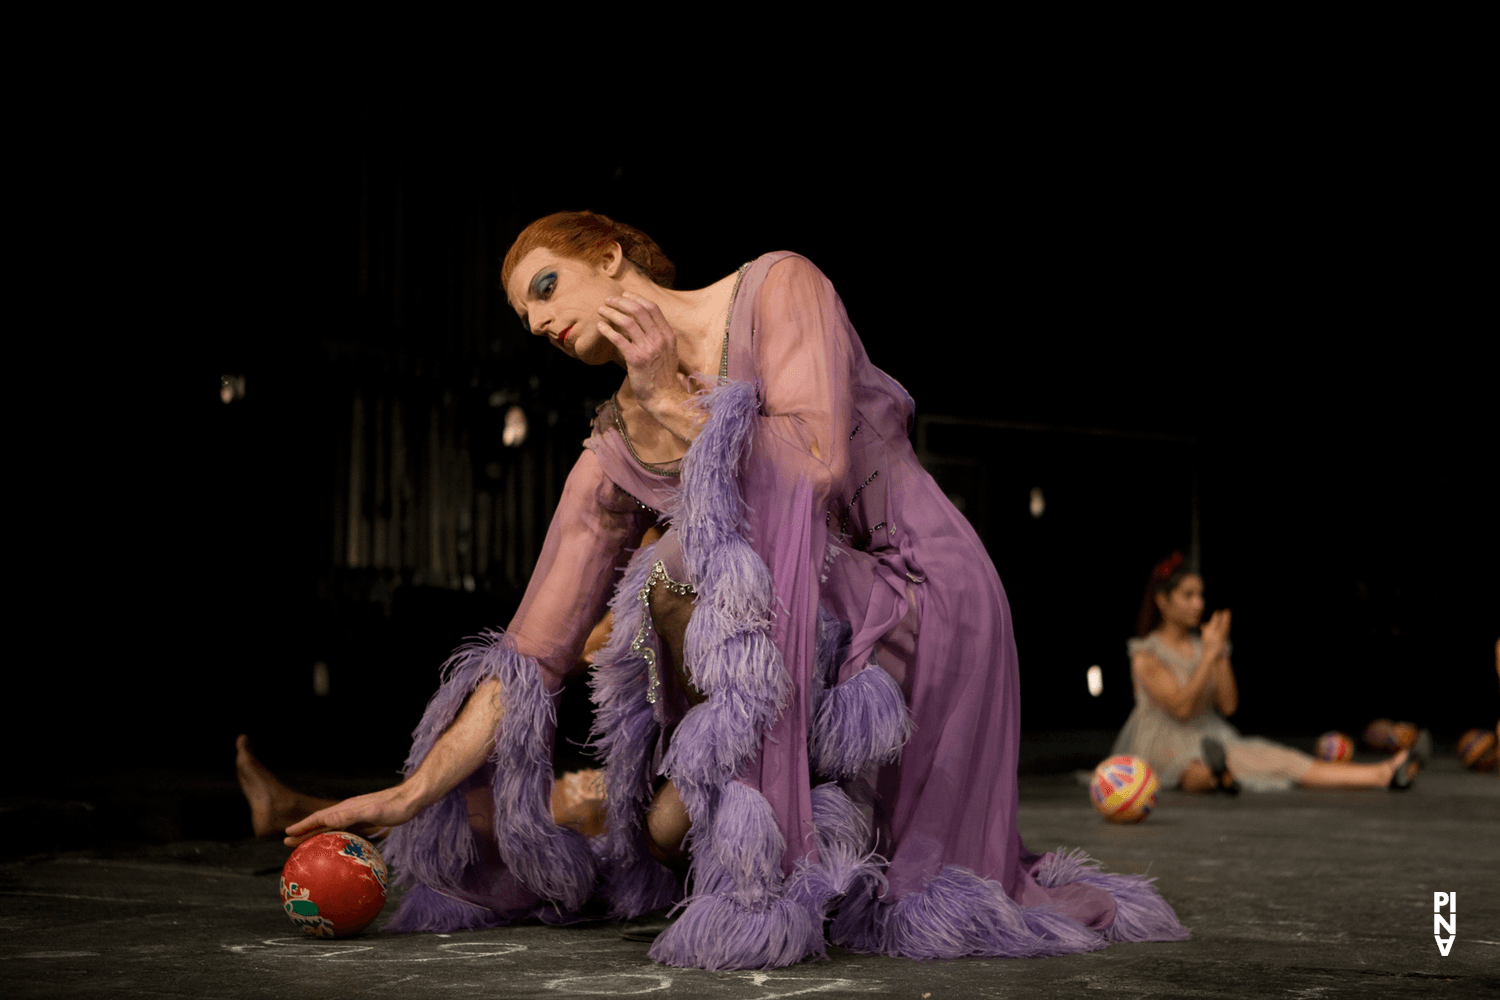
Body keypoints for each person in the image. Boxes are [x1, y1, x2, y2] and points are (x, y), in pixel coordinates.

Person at [252, 211, 1192, 970]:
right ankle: (731, 828)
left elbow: (814, 464)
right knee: (663, 834)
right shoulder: (608, 458)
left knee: (669, 569)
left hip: (917, 591)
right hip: (785, 636)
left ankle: (776, 842)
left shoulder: (778, 288)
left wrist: (665, 393)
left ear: (610, 255)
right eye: (524, 320)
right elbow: (535, 650)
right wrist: (414, 788)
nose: (537, 324)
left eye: (544, 288)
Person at [1113, 552, 1428, 794]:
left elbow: (1229, 705)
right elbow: (1180, 708)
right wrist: (1210, 654)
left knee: (1277, 757)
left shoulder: (1205, 644)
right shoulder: (1146, 653)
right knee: (1191, 770)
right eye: (1188, 595)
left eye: (1201, 595)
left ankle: (1382, 772)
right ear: (1163, 602)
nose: (1199, 604)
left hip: (1208, 733)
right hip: (1162, 740)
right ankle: (1215, 775)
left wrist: (1218, 653)